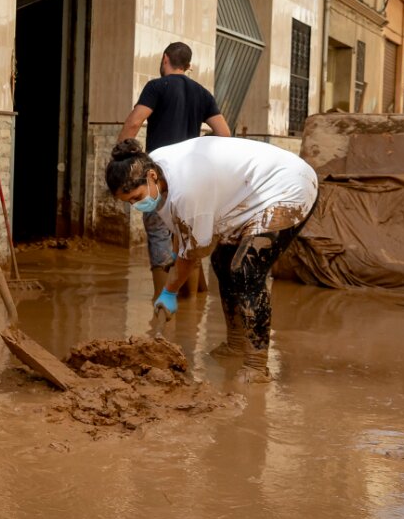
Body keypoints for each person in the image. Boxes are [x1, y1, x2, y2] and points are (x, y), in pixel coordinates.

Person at [105, 137, 317, 382]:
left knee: (246, 269)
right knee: (222, 261)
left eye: (136, 197)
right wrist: (176, 256)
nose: (135, 205)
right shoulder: (152, 165)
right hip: (247, 195)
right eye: (129, 201)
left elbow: (194, 254)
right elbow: (180, 229)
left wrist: (170, 291)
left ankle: (257, 365)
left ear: (151, 176)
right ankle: (236, 344)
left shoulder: (187, 190)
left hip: (287, 187)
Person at [117, 42, 231, 298]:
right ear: (188, 65)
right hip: (191, 178)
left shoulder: (157, 87)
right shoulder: (202, 93)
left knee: (159, 235)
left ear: (165, 59)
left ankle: (162, 309)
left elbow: (135, 122)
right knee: (189, 237)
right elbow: (224, 133)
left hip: (161, 177)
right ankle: (192, 306)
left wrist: (122, 158)